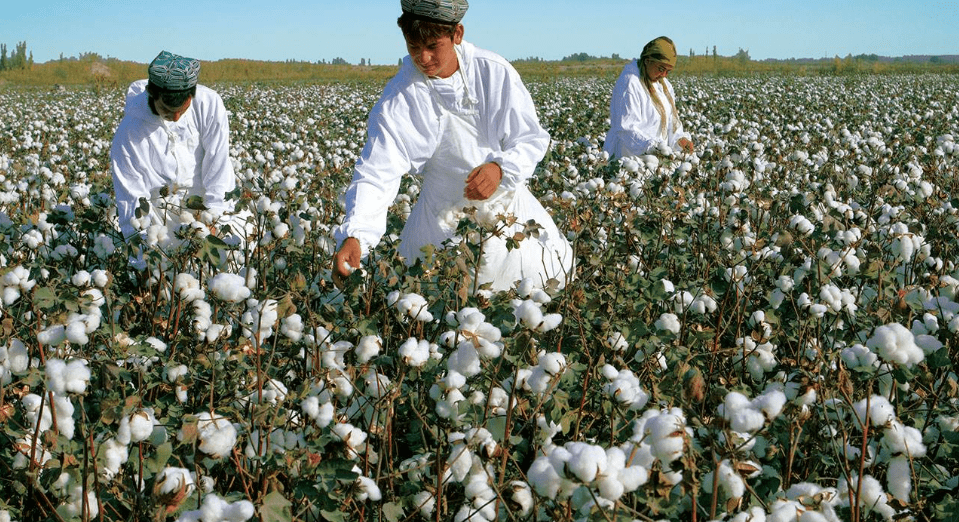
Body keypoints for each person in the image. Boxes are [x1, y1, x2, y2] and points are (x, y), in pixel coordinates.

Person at [332, 0, 573, 292]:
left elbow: (530, 138)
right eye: (413, 46)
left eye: (433, 45)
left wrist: (500, 169)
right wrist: (356, 235)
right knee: (438, 300)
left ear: (457, 34)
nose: (423, 57)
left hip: (506, 210)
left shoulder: (492, 72)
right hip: (439, 219)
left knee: (527, 289)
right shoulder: (401, 96)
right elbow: (377, 170)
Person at [110, 50, 237, 244]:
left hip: (206, 209)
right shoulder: (129, 132)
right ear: (152, 95)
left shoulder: (209, 105)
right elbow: (130, 197)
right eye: (167, 110)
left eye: (182, 110)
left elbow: (217, 163)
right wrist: (140, 251)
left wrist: (215, 218)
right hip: (159, 220)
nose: (176, 118)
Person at [604, 36, 694, 159]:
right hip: (629, 160)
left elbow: (672, 123)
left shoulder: (664, 85)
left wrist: (680, 140)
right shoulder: (630, 83)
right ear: (647, 60)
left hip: (656, 158)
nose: (664, 75)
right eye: (661, 69)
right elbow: (626, 129)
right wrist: (652, 147)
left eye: (668, 71)